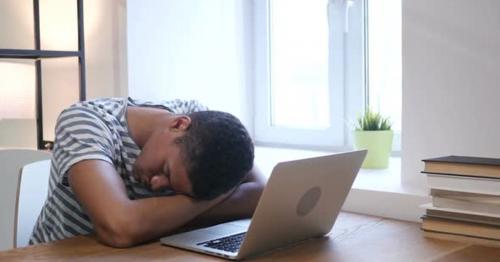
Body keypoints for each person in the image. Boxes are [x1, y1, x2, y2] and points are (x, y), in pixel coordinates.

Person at [29, 97, 265, 247]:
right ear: (179, 125)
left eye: (174, 190)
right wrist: (209, 198)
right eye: (165, 170)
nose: (156, 185)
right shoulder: (87, 122)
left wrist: (154, 220)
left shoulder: (204, 129)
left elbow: (261, 194)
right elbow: (120, 228)